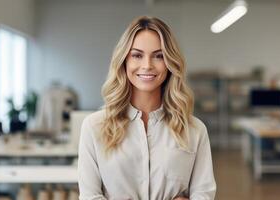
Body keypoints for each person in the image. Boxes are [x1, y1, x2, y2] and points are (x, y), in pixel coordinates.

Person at [78, 16, 216, 200]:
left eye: (159, 56)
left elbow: (203, 194)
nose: (147, 65)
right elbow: (89, 196)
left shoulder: (195, 130)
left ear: (169, 63)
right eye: (137, 55)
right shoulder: (94, 126)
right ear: (124, 60)